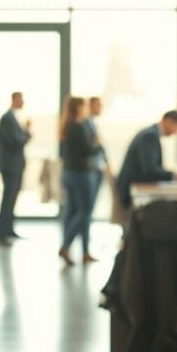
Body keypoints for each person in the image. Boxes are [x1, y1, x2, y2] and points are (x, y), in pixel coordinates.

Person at [58, 96, 102, 266]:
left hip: (69, 172)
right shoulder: (77, 125)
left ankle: (84, 252)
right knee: (85, 212)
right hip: (81, 173)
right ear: (78, 108)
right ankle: (66, 245)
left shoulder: (67, 125)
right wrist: (97, 143)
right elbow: (87, 150)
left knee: (76, 210)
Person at [115, 110, 177, 209]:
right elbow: (150, 170)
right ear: (167, 121)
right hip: (131, 192)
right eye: (176, 127)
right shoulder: (150, 136)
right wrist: (175, 175)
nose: (176, 132)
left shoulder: (151, 132)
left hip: (133, 187)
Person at [0, 91, 31, 245]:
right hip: (10, 167)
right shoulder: (7, 118)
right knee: (8, 199)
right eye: (21, 99)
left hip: (15, 166)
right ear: (14, 99)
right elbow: (15, 141)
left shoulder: (13, 118)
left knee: (12, 200)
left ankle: (9, 230)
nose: (23, 101)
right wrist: (28, 133)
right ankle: (2, 234)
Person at [86, 96, 107, 198]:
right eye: (99, 105)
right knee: (86, 207)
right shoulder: (86, 123)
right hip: (90, 169)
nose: (101, 108)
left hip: (96, 168)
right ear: (91, 105)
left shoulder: (92, 123)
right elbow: (89, 147)